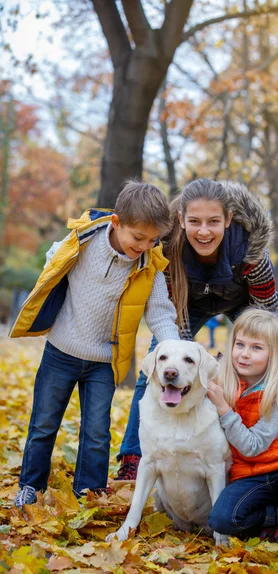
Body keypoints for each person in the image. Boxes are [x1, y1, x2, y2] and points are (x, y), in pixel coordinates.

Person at [10, 180, 180, 508]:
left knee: (97, 433)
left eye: (152, 240)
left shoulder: (150, 267)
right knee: (44, 423)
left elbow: (160, 314)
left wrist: (174, 351)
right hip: (60, 351)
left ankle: (88, 494)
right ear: (117, 223)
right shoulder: (83, 240)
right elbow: (53, 259)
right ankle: (30, 486)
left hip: (104, 360)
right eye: (138, 237)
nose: (144, 246)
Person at [116, 178, 278, 480]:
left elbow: (265, 314)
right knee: (156, 362)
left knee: (260, 366)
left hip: (242, 304)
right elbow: (169, 307)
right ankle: (133, 456)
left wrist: (252, 352)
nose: (204, 231)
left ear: (228, 220)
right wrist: (179, 357)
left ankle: (267, 461)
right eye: (195, 222)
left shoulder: (251, 251)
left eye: (214, 222)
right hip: (187, 303)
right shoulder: (167, 249)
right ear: (181, 219)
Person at [207, 308, 278, 552]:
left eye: (256, 348)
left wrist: (224, 409)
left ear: (275, 354)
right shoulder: (223, 379)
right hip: (250, 473)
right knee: (221, 520)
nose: (244, 355)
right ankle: (277, 514)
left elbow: (252, 446)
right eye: (240, 344)